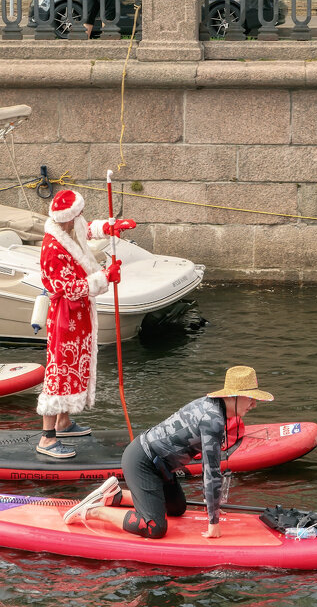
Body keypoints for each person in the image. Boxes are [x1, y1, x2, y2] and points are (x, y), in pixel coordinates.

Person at [63, 365, 273, 540]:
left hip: (161, 466)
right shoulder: (213, 420)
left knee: (177, 508)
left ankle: (114, 496)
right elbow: (211, 473)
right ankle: (93, 510)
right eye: (250, 398)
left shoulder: (214, 407)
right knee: (154, 527)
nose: (254, 404)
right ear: (234, 396)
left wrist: (214, 508)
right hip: (142, 461)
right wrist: (213, 522)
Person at [36, 189, 136, 459]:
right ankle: (47, 439)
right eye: (79, 214)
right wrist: (105, 277)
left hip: (79, 317)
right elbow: (69, 288)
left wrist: (109, 226)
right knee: (59, 372)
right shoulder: (53, 249)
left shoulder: (67, 228)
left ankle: (63, 423)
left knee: (74, 367)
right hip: (64, 318)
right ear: (69, 218)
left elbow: (86, 230)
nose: (83, 218)